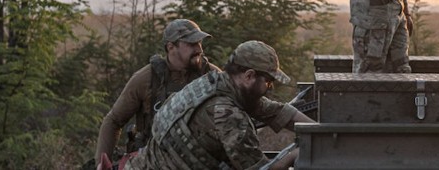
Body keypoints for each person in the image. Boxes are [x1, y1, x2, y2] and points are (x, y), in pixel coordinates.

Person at [125, 40, 314, 170]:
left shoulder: (215, 83)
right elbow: (260, 168)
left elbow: (274, 110)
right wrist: (295, 154)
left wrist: (317, 131)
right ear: (249, 76)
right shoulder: (228, 114)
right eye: (268, 80)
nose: (270, 86)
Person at [94, 19, 221, 165]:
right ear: (171, 47)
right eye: (192, 44)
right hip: (153, 162)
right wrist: (102, 164)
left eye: (200, 43)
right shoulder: (146, 79)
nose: (199, 49)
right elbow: (113, 121)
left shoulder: (212, 76)